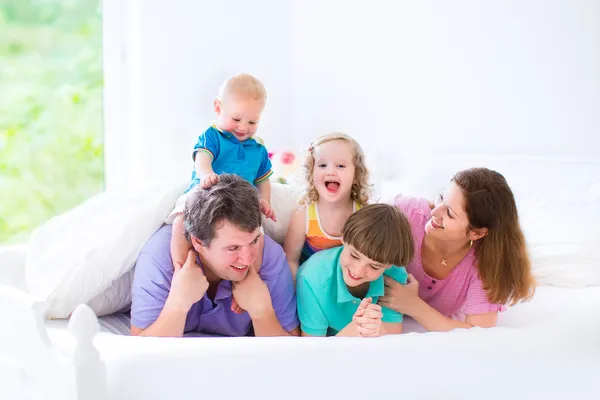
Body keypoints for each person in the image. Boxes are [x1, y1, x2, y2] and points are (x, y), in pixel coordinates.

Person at [130, 174, 299, 337]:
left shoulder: (271, 258)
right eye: (233, 248)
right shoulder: (159, 256)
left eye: (254, 241)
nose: (248, 259)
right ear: (198, 243)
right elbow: (141, 344)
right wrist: (178, 303)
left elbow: (296, 348)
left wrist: (262, 312)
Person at [379, 167, 535, 332]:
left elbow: (479, 333)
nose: (434, 212)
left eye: (450, 214)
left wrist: (413, 306)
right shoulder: (406, 214)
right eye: (441, 198)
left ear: (477, 233)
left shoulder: (485, 266)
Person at [167, 73, 276, 272]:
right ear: (218, 108)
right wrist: (206, 174)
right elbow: (202, 159)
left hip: (241, 204)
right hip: (205, 194)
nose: (243, 127)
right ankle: (181, 268)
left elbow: (264, 180)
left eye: (252, 122)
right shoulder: (213, 136)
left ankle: (250, 275)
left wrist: (265, 200)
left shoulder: (258, 149)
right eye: (236, 118)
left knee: (257, 237)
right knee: (180, 221)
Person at [296, 204, 414, 337]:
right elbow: (315, 351)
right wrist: (357, 327)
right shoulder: (312, 280)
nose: (358, 271)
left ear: (389, 265)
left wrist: (371, 327)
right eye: (354, 255)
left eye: (374, 266)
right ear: (344, 237)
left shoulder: (394, 276)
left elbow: (391, 336)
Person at [283, 133, 370, 281]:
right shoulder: (304, 217)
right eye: (322, 165)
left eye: (340, 166)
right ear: (312, 172)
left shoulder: (363, 215)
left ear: (356, 175)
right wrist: (298, 294)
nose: (330, 171)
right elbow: (290, 260)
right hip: (311, 282)